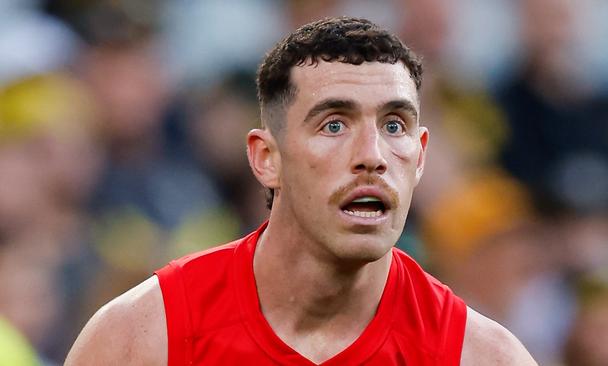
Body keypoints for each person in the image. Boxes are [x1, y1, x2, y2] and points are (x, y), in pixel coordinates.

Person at [65, 17, 537, 365]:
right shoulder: (141, 340)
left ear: (421, 156)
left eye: (395, 125)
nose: (372, 154)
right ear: (266, 158)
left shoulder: (481, 356)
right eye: (334, 124)